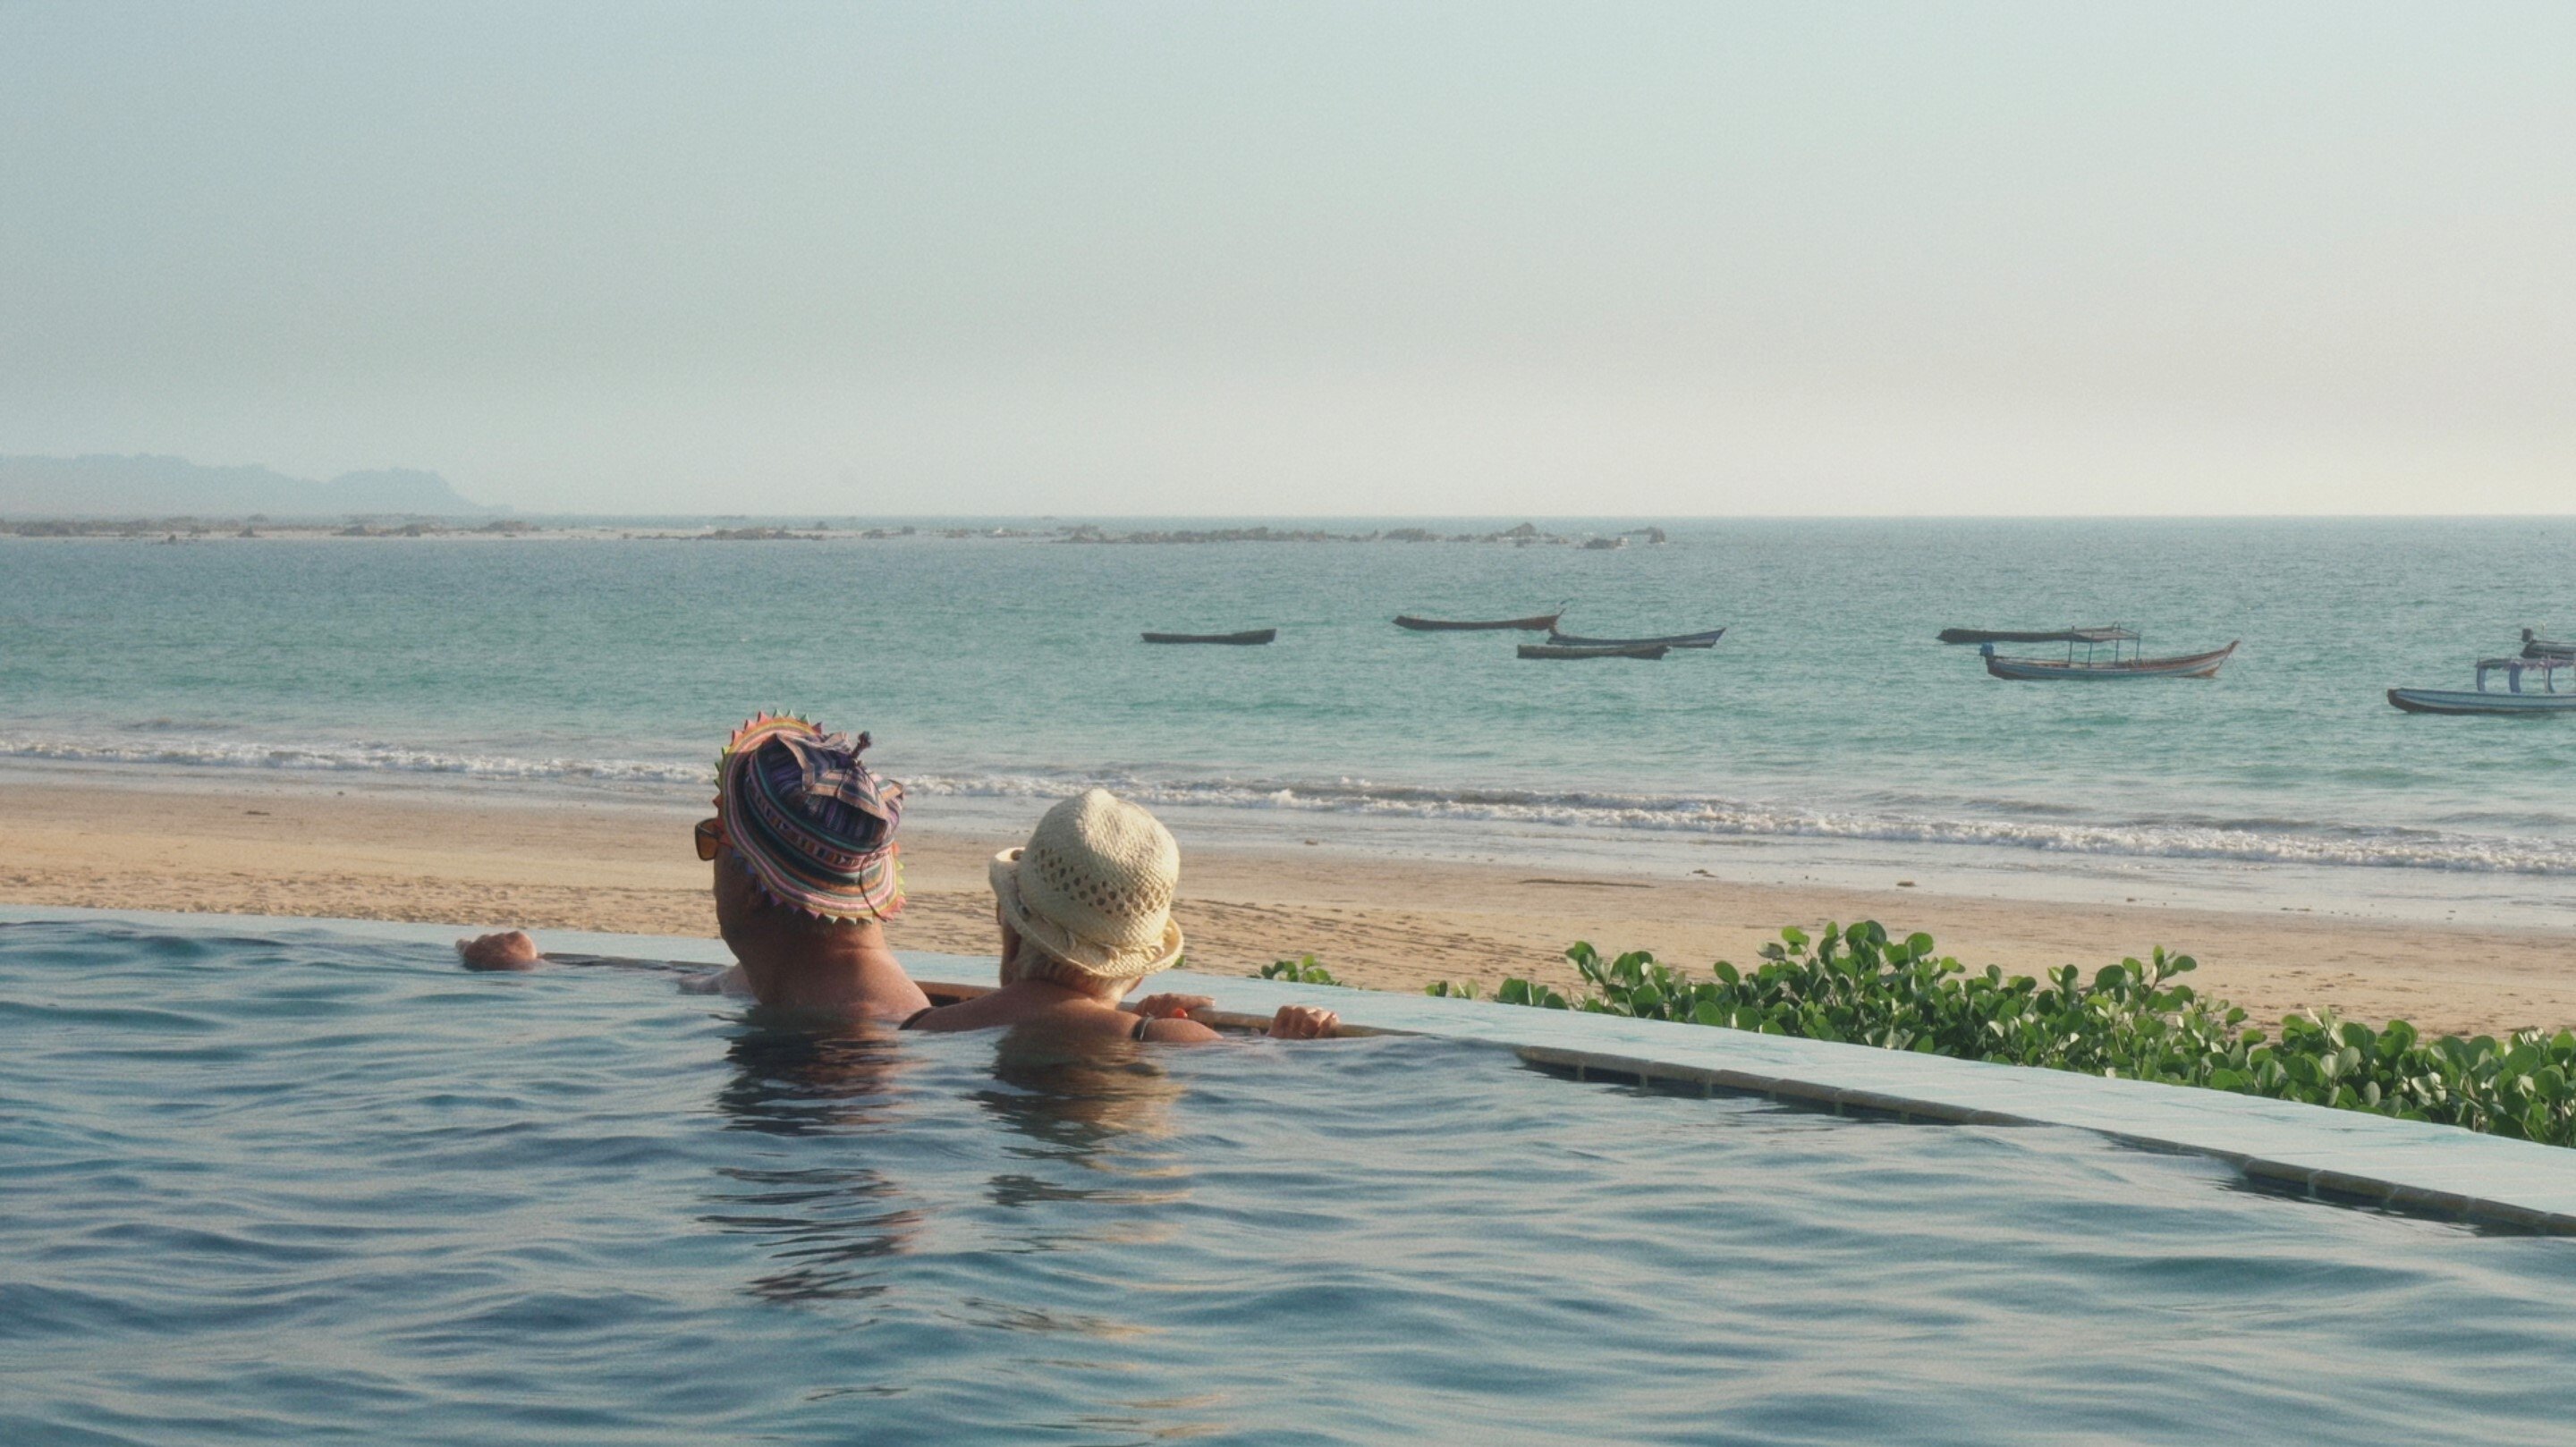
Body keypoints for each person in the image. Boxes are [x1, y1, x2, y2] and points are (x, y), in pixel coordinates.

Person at [459, 714, 931, 1024]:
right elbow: (686, 983)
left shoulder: (859, 1034)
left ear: (753, 889)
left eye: (713, 839)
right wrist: (533, 968)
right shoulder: (785, 979)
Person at [902, 788, 1338, 1043]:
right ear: (1139, 969)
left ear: (1008, 921)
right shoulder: (1159, 1041)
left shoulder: (922, 1028)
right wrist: (1286, 1043)